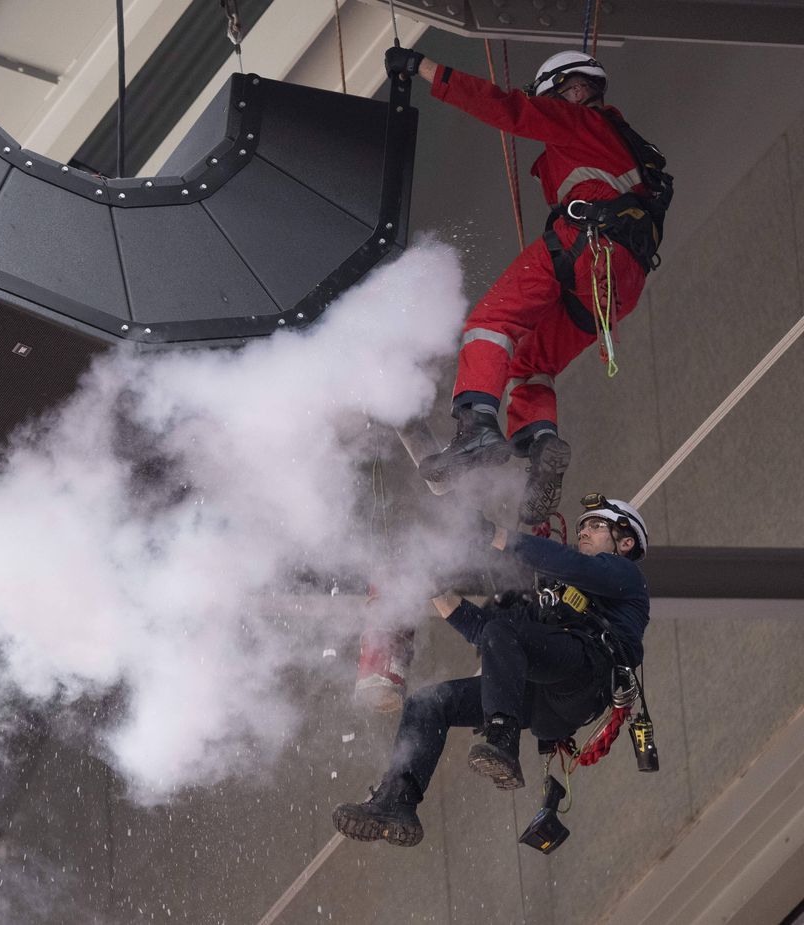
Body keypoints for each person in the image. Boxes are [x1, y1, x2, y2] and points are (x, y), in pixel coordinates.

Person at [385, 47, 669, 524]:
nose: (572, 97)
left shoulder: (579, 125)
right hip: (621, 283)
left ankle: (476, 427)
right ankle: (540, 446)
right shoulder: (630, 148)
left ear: (570, 92)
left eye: (570, 92)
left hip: (585, 244)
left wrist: (425, 68)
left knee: (491, 321)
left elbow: (506, 109)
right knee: (530, 361)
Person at [332, 494, 649, 847]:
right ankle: (397, 799)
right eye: (583, 526)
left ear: (626, 541)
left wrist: (494, 534)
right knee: (430, 702)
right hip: (544, 699)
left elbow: (572, 566)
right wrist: (439, 593)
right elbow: (491, 636)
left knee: (507, 632)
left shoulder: (625, 575)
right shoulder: (558, 596)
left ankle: (502, 740)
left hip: (586, 675)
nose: (584, 531)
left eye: (595, 525)